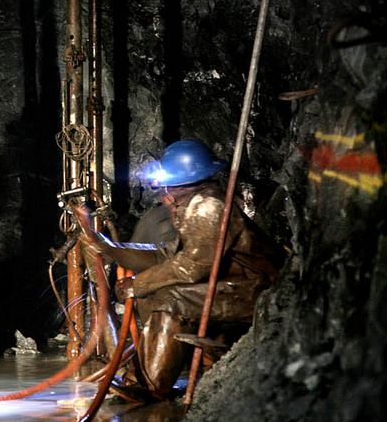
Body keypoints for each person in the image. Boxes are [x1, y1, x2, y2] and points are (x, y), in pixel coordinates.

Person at [78, 140, 285, 399]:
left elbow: (191, 267)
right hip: (234, 286)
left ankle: (150, 385)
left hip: (256, 290)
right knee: (155, 292)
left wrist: (137, 285)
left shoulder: (207, 206)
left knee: (169, 298)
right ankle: (176, 367)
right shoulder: (196, 203)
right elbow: (167, 254)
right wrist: (112, 249)